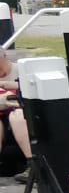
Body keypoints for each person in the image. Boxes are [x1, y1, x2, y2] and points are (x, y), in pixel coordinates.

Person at [0, 48, 34, 181]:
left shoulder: (21, 70)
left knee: (18, 116)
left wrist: (7, 84)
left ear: (4, 55)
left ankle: (33, 165)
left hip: (20, 113)